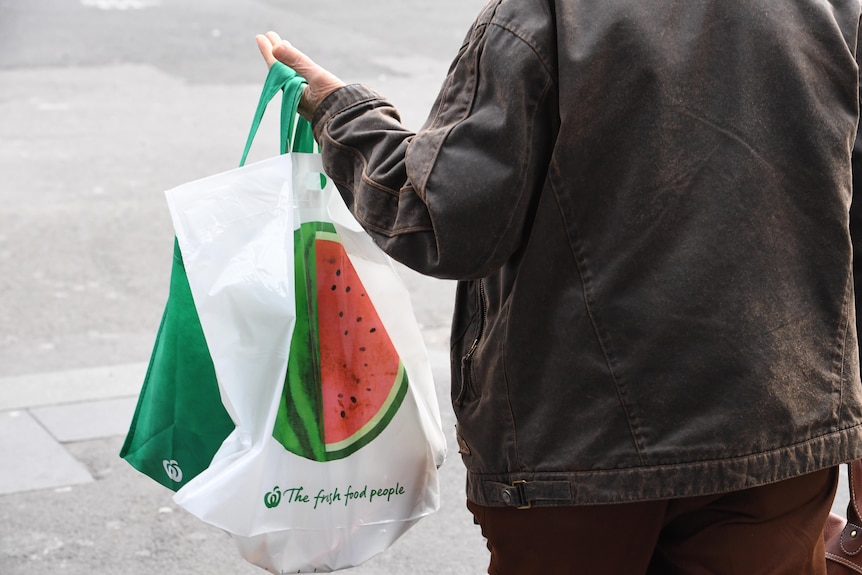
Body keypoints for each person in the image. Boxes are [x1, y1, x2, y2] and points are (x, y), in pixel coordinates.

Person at [256, 0, 862, 571]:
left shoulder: (548, 11)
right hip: (777, 433)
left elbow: (445, 221)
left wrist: (341, 111)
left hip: (579, 443)